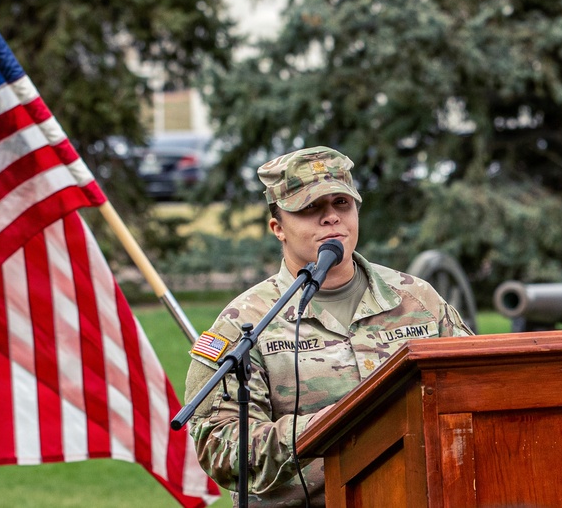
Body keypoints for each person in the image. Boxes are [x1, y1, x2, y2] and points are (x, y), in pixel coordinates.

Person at [184, 146, 473, 506]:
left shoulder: (418, 299)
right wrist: (320, 429)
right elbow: (220, 449)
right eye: (310, 208)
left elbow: (476, 391)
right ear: (278, 228)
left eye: (341, 203)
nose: (331, 218)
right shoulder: (245, 322)